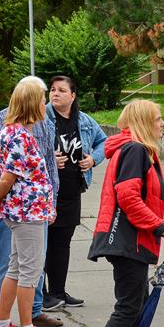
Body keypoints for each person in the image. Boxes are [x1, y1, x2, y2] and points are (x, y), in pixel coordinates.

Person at [79, 100, 164, 327]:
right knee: (129, 306)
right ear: (144, 122)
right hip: (127, 239)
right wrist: (158, 225)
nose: (162, 125)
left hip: (131, 239)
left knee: (135, 304)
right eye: (158, 120)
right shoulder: (135, 150)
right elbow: (128, 197)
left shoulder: (136, 150)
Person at [0, 76, 62, 327]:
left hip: (34, 209)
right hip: (24, 210)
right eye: (43, 98)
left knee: (21, 266)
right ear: (32, 102)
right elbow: (0, 173)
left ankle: (16, 319)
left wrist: (51, 201)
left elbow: (46, 166)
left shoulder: (38, 125)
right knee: (23, 268)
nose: (47, 102)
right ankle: (18, 326)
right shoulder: (11, 131)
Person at [42, 75, 107, 310]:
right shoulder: (41, 118)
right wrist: (49, 160)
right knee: (42, 242)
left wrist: (92, 159)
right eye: (52, 90)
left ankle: (58, 292)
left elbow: (104, 143)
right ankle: (41, 294)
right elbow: (27, 148)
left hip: (72, 189)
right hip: (47, 191)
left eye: (61, 90)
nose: (55, 94)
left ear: (73, 95)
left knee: (62, 242)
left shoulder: (85, 121)